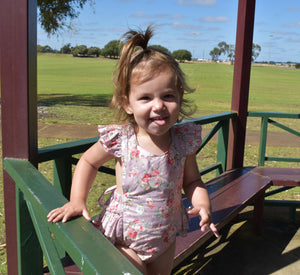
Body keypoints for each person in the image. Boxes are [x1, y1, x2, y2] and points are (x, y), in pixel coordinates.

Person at [47, 25, 219, 275]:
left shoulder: (183, 141)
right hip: (124, 239)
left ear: (180, 97)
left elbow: (192, 181)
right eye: (146, 98)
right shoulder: (122, 139)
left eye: (168, 96)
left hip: (164, 238)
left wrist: (203, 205)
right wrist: (77, 201)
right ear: (128, 103)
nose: (158, 105)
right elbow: (88, 162)